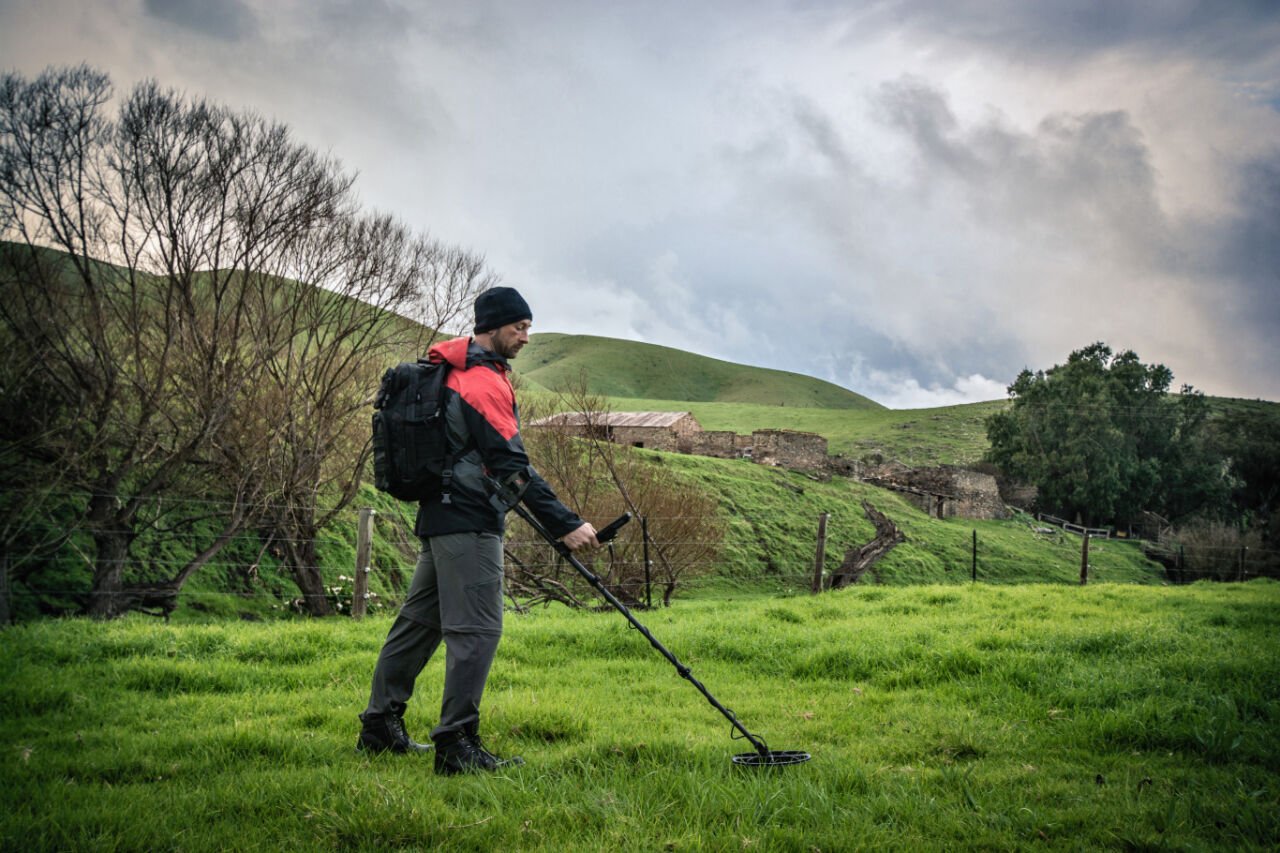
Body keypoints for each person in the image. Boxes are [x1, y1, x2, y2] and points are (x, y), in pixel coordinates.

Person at [357, 286, 598, 775]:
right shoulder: (481, 381)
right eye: (518, 327)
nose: (526, 337)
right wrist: (566, 524)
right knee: (478, 631)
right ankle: (456, 744)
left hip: (442, 515)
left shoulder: (455, 370)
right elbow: (510, 464)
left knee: (420, 625)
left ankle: (380, 727)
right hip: (468, 520)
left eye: (529, 327)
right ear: (490, 328)